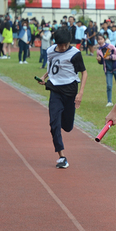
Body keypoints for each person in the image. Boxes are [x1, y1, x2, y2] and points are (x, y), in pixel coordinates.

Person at [37, 27, 87, 169]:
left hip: (70, 90)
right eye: (60, 44)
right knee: (54, 124)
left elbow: (84, 73)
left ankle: (66, 124)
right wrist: (44, 77)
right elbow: (52, 66)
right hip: (55, 90)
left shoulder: (75, 54)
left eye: (65, 44)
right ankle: (62, 156)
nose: (62, 47)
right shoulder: (50, 50)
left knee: (67, 126)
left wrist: (80, 93)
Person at [96, 33, 116, 107]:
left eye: (101, 39)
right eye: (98, 40)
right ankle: (109, 101)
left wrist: (110, 57)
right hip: (108, 70)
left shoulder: (110, 46)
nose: (100, 41)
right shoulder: (99, 50)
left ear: (104, 39)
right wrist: (99, 60)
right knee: (109, 85)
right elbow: (101, 62)